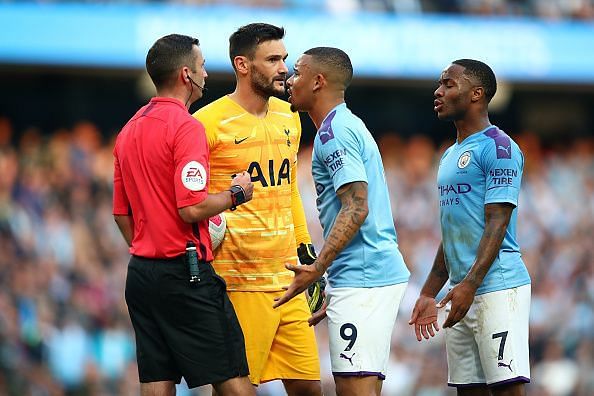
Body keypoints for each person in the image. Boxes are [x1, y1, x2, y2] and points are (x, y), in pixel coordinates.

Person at [112, 34, 255, 396]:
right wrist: (236, 193)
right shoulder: (187, 127)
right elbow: (191, 207)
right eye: (203, 65)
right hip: (186, 272)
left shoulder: (128, 130)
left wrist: (150, 249)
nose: (207, 73)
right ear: (186, 75)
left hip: (142, 274)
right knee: (233, 377)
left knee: (157, 379)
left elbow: (120, 214)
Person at [193, 23, 323, 395]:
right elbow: (192, 201)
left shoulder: (290, 117)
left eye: (284, 58)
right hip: (239, 284)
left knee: (311, 389)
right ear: (243, 65)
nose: (284, 68)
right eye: (272, 60)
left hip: (288, 281)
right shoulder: (207, 123)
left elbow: (290, 190)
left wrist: (307, 252)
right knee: (236, 390)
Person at [277, 47, 410, 396]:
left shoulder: (334, 132)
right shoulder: (344, 125)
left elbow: (356, 206)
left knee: (354, 390)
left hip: (364, 277)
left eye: (298, 72)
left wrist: (318, 268)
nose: (290, 80)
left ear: (318, 81)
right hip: (362, 275)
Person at [408, 59, 531, 396]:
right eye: (439, 83)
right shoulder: (449, 155)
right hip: (461, 291)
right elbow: (453, 232)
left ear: (476, 94)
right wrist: (429, 292)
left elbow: (498, 221)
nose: (439, 91)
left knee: (507, 388)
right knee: (467, 391)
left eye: (448, 84)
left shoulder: (499, 147)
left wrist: (470, 285)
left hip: (496, 287)